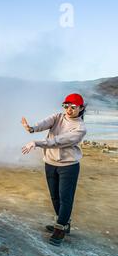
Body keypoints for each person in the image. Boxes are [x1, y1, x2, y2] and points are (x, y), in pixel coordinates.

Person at [21, 93, 87, 246]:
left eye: (73, 107)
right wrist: (31, 128)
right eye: (66, 106)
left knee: (65, 198)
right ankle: (63, 222)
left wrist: (36, 143)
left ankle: (60, 228)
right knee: (54, 197)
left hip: (68, 166)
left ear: (81, 108)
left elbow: (58, 141)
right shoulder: (58, 116)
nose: (68, 110)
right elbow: (44, 123)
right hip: (50, 163)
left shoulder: (80, 128)